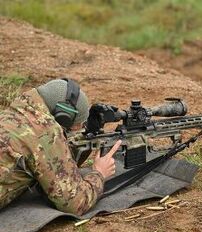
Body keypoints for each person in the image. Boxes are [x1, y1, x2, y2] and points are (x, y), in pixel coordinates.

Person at [0, 78, 121, 216]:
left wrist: (86, 137)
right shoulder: (44, 132)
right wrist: (99, 173)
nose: (80, 127)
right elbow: (75, 203)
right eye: (78, 124)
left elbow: (48, 154)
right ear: (64, 116)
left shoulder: (21, 109)